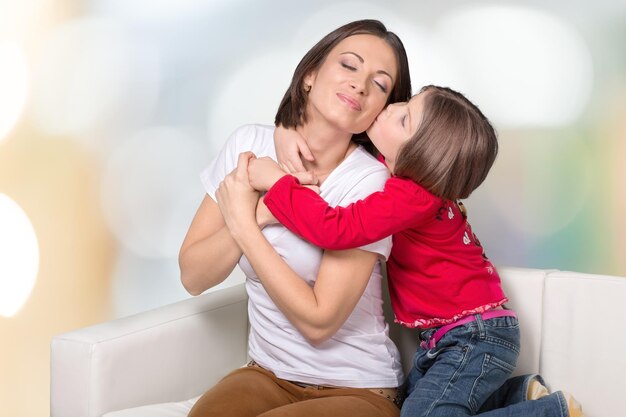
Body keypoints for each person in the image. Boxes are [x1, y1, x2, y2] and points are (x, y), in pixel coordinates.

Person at [246, 85, 585, 417]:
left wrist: (277, 182)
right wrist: (285, 133)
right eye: (405, 102)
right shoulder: (397, 173)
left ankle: (550, 411)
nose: (391, 107)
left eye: (404, 118)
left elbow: (336, 228)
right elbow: (337, 133)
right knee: (417, 404)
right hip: (456, 336)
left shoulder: (412, 197)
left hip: (473, 337)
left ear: (421, 157)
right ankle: (517, 394)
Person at [178, 19, 412, 417]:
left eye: (379, 84)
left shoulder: (370, 184)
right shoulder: (248, 146)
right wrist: (263, 212)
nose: (359, 85)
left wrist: (249, 220)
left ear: (380, 111)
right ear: (309, 75)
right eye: (350, 65)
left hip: (359, 390)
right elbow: (193, 276)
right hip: (265, 375)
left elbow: (320, 322)